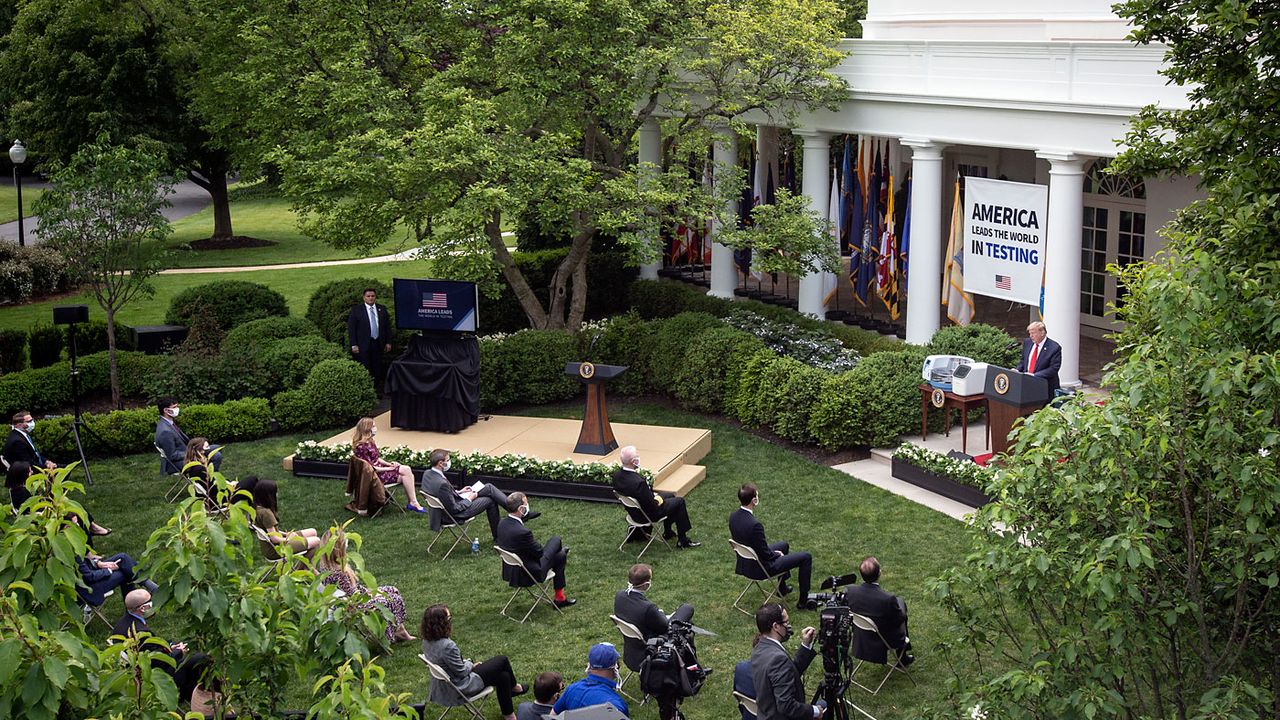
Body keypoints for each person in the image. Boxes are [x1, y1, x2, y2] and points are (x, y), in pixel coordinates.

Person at [421, 604, 527, 720]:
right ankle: (515, 688)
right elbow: (461, 672)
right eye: (449, 618)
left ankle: (509, 716)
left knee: (503, 676)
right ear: (442, 623)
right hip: (460, 687)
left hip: (444, 686)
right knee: (502, 660)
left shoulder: (426, 641)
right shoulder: (447, 646)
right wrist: (470, 663)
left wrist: (467, 663)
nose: (451, 621)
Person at [111, 588, 209, 706]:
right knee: (199, 658)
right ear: (143, 608)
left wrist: (171, 646)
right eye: (151, 602)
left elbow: (151, 648)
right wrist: (179, 651)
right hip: (151, 675)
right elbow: (159, 662)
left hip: (135, 667)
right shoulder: (140, 631)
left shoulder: (122, 623)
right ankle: (187, 695)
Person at [316, 527, 414, 643]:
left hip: (357, 595)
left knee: (392, 590)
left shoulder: (327, 566)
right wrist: (372, 593)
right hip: (354, 603)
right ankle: (390, 635)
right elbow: (353, 596)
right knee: (392, 598)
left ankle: (399, 631)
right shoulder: (338, 572)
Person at [729, 484, 816, 610]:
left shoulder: (733, 516)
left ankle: (782, 588)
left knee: (783, 545)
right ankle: (803, 601)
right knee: (806, 557)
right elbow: (766, 554)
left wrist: (775, 552)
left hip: (746, 563)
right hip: (761, 568)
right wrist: (777, 554)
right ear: (754, 501)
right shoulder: (755, 525)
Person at [420, 448, 528, 537]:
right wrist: (470, 498)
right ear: (440, 463)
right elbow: (454, 509)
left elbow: (442, 494)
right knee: (490, 500)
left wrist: (459, 492)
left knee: (488, 488)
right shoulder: (442, 484)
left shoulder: (428, 473)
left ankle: (514, 514)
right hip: (454, 515)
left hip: (444, 509)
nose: (449, 462)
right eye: (447, 460)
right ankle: (517, 512)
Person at [495, 492, 575, 608]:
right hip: (530, 573)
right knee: (556, 542)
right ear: (521, 509)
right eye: (526, 504)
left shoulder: (502, 523)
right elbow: (539, 553)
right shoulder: (523, 533)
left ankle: (560, 598)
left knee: (560, 556)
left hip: (511, 571)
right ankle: (559, 598)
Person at [612, 445, 700, 549]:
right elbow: (652, 506)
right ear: (633, 461)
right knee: (679, 502)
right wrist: (658, 499)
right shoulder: (639, 483)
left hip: (634, 513)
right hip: (648, 515)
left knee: (669, 495)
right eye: (637, 456)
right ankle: (683, 540)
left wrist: (656, 497)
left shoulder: (617, 476)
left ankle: (668, 532)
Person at [614, 563, 695, 672]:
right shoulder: (648, 608)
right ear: (646, 585)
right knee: (686, 610)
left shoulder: (620, 596)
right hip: (652, 649)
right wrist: (660, 613)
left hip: (632, 653)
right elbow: (665, 626)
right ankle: (690, 665)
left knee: (685, 623)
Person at [749, 603, 824, 720]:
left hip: (766, 713)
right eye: (786, 622)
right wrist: (815, 711)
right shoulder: (778, 659)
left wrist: (805, 645)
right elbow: (786, 706)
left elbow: (788, 674)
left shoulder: (759, 648)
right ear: (776, 626)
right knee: (824, 706)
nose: (789, 626)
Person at [842, 557, 915, 668]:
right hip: (883, 639)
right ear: (879, 573)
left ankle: (903, 657)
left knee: (899, 603)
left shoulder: (850, 591)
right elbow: (900, 619)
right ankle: (902, 656)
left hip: (862, 636)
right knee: (901, 604)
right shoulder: (887, 599)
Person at [351, 417, 427, 513]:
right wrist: (390, 468)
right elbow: (371, 468)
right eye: (373, 426)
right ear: (367, 428)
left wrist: (389, 464)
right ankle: (413, 503)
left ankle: (413, 502)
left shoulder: (370, 441)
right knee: (406, 472)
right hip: (374, 476)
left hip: (380, 470)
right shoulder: (361, 447)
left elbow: (376, 458)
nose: (375, 428)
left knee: (406, 472)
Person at [552, 643, 629, 717]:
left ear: (589, 665)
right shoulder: (616, 706)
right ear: (615, 668)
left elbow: (552, 715)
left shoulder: (572, 689)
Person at [251, 479, 321, 559]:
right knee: (316, 541)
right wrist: (288, 539)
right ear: (268, 495)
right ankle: (304, 568)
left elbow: (271, 531)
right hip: (275, 549)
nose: (276, 495)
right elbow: (275, 539)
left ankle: (305, 568)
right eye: (275, 492)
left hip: (271, 546)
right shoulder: (266, 513)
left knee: (313, 531)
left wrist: (285, 534)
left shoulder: (257, 508)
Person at [76, 550, 157, 616]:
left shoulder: (71, 538)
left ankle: (146, 589)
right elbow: (89, 577)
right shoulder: (70, 549)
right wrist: (109, 570)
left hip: (89, 573)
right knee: (125, 572)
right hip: (88, 589)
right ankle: (133, 610)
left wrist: (98, 563)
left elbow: (85, 557)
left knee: (123, 558)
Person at [154, 397, 222, 474]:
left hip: (186, 453)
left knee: (217, 448)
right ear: (166, 410)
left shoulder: (168, 423)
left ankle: (207, 475)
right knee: (216, 456)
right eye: (174, 407)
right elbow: (172, 455)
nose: (177, 409)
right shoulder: (165, 431)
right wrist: (194, 452)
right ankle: (209, 480)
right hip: (177, 463)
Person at [347, 288, 392, 384]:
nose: (370, 298)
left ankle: (376, 389)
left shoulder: (382, 309)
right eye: (368, 296)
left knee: (377, 367)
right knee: (365, 367)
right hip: (363, 345)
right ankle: (366, 388)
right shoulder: (356, 310)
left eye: (373, 296)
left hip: (378, 343)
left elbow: (387, 327)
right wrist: (354, 344)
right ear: (364, 298)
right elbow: (351, 329)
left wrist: (388, 342)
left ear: (375, 297)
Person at [1015, 321, 1062, 395]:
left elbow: (1053, 368)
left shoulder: (1054, 348)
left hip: (1044, 386)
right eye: (1030, 333)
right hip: (1026, 384)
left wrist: (1034, 375)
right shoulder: (1028, 342)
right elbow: (1023, 360)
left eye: (1033, 333)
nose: (1031, 336)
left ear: (1042, 333)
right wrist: (1017, 370)